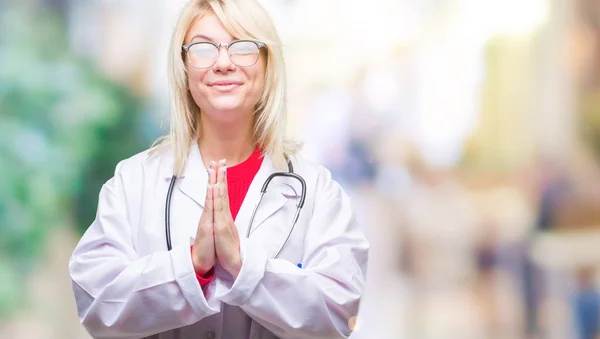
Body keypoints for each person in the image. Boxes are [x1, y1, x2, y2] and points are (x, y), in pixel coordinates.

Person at [68, 0, 369, 338]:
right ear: (183, 68)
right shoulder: (133, 182)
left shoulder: (318, 192)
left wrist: (243, 266)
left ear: (268, 64)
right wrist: (192, 266)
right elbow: (97, 304)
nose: (223, 63)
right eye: (203, 48)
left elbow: (338, 313)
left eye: (242, 47)